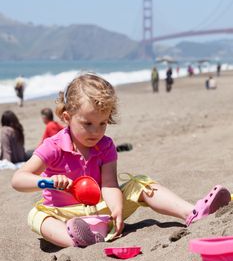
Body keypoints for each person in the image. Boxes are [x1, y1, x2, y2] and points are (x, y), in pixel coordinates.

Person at [11, 73, 230, 248]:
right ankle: (77, 239)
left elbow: (109, 184)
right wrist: (47, 182)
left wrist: (116, 209)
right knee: (36, 216)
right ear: (67, 117)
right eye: (88, 124)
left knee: (139, 183)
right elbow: (18, 179)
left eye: (103, 123)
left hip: (100, 209)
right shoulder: (54, 145)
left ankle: (192, 212)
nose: (96, 131)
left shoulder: (105, 146)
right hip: (63, 214)